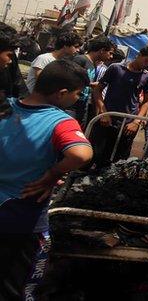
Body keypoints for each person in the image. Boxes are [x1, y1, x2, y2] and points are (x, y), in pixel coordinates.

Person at [0, 59, 93, 298]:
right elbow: (81, 154)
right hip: (21, 218)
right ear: (62, 94)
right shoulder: (60, 121)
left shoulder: (5, 107)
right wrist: (53, 173)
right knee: (16, 287)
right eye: (77, 94)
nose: (78, 98)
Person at [90, 45, 148, 167]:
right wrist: (103, 113)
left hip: (128, 124)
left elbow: (147, 101)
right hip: (107, 118)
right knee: (95, 154)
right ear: (139, 55)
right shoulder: (116, 68)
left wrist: (137, 121)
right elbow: (98, 90)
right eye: (147, 60)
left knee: (120, 159)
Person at [69, 37, 117, 125]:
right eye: (110, 53)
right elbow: (69, 80)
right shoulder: (80, 60)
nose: (111, 56)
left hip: (82, 108)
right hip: (71, 108)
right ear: (102, 50)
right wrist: (90, 84)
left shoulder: (93, 64)